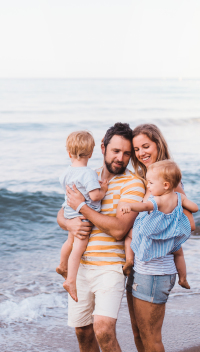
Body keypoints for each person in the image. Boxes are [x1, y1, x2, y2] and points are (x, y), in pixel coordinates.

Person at [60, 122, 145, 352]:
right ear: (103, 147)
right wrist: (70, 223)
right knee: (83, 332)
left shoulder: (133, 184)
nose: (121, 158)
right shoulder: (87, 174)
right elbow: (61, 213)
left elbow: (119, 229)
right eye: (116, 151)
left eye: (127, 153)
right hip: (82, 268)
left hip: (111, 267)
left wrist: (83, 208)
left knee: (104, 329)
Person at [125, 123, 195, 352]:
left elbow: (189, 224)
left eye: (146, 146)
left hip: (155, 272)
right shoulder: (148, 177)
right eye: (136, 149)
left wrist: (155, 227)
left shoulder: (169, 183)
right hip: (142, 267)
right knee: (139, 333)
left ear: (158, 144)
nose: (141, 152)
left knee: (151, 338)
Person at [119, 160, 198, 290]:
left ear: (166, 185)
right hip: (171, 234)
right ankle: (183, 278)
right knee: (179, 254)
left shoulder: (157, 200)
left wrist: (130, 206)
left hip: (154, 234)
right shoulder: (179, 197)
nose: (148, 186)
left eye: (150, 183)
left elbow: (144, 206)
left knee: (129, 235)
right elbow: (194, 208)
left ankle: (129, 260)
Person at [57, 130, 109, 302]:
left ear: (68, 152)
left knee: (69, 241)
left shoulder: (66, 172)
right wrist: (103, 190)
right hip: (82, 216)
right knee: (78, 248)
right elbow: (94, 196)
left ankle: (62, 265)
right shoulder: (88, 173)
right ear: (91, 152)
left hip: (69, 213)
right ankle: (71, 280)